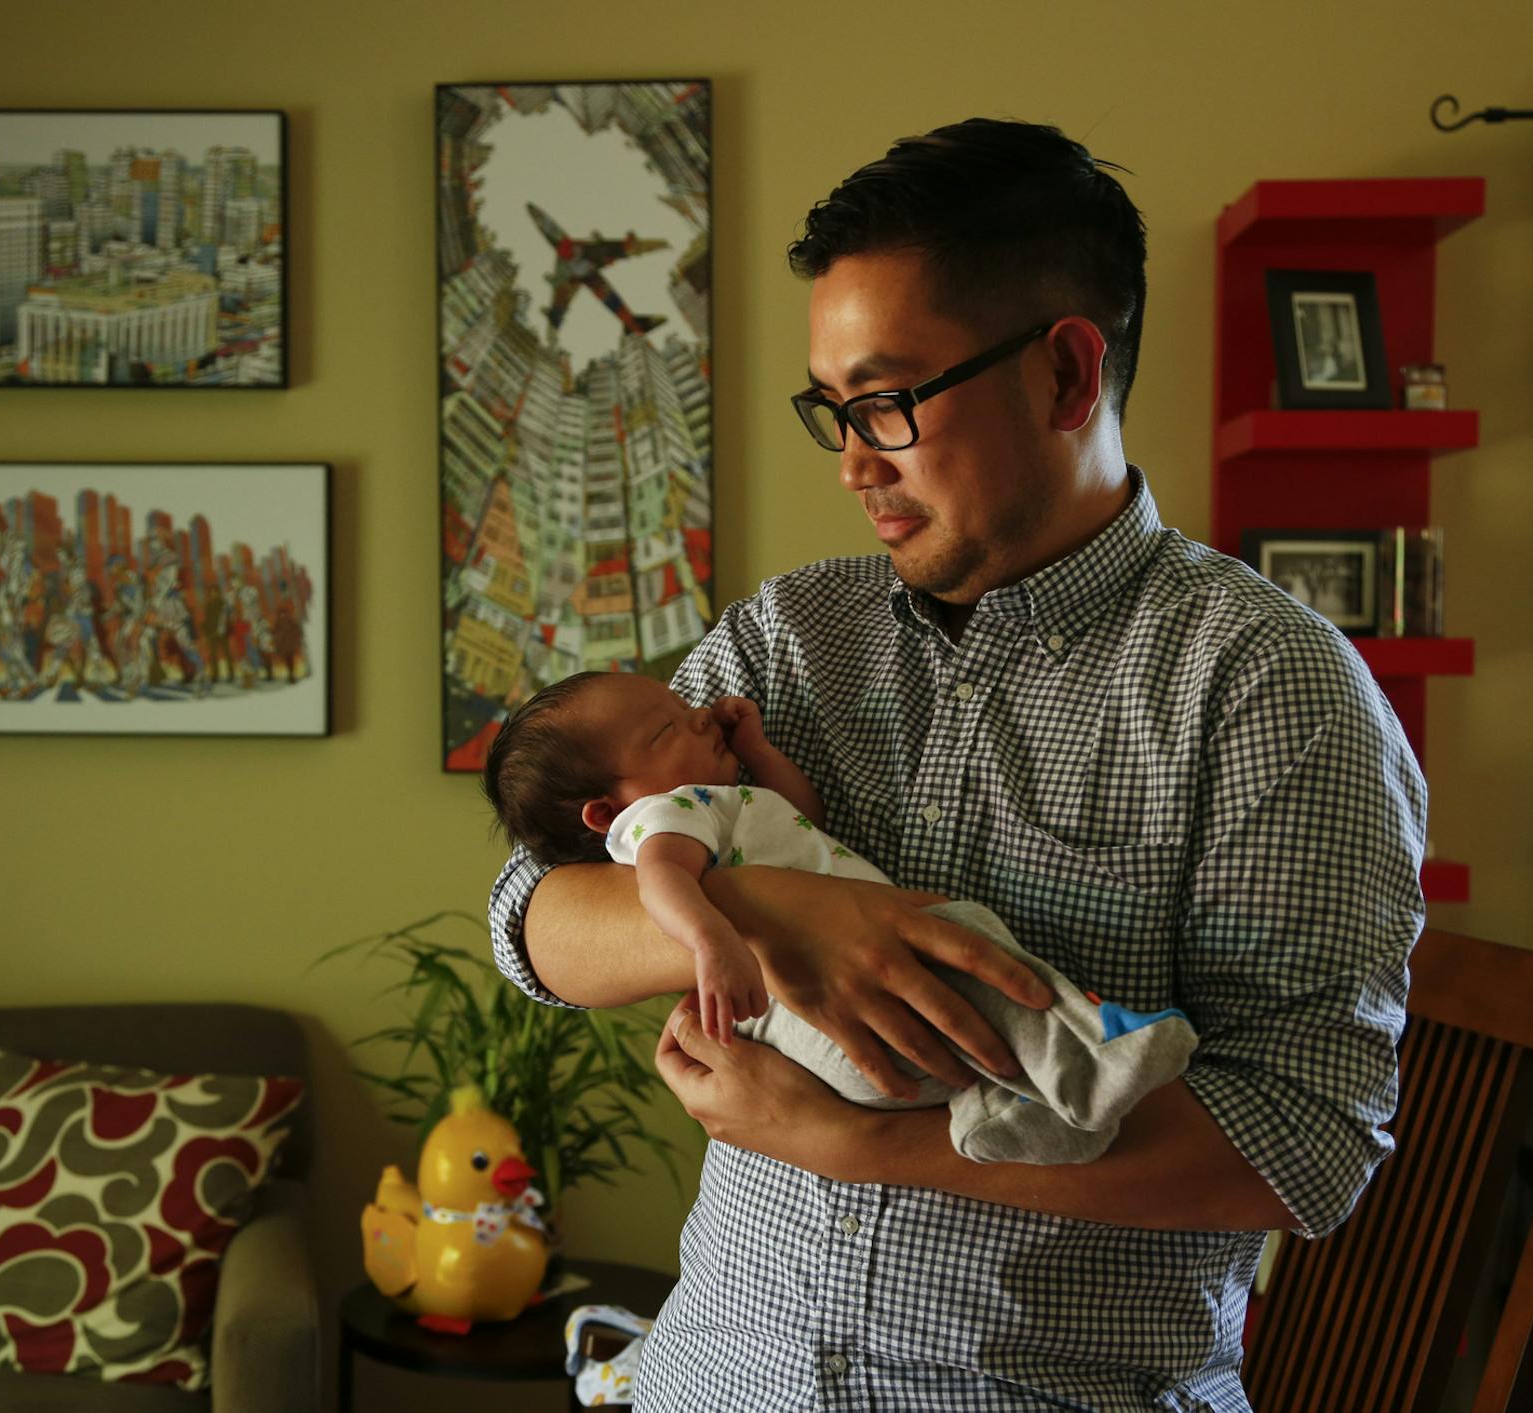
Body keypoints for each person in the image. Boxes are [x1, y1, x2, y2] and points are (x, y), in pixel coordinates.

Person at [487, 117, 1426, 1411]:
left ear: (1066, 374)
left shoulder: (1269, 691)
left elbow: (1305, 1144)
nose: (854, 460)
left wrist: (872, 1147)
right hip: (716, 1377)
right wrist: (771, 905)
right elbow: (531, 922)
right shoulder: (789, 641)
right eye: (834, 407)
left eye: (888, 400)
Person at [482, 667, 1199, 1166]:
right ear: (606, 811)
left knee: (955, 974)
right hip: (812, 1015)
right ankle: (1090, 1048)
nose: (698, 712)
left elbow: (804, 819)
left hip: (852, 1044)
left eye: (683, 701)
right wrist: (718, 936)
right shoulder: (660, 819)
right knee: (965, 933)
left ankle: (1015, 1115)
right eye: (666, 727)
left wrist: (757, 752)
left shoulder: (718, 800)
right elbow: (651, 887)